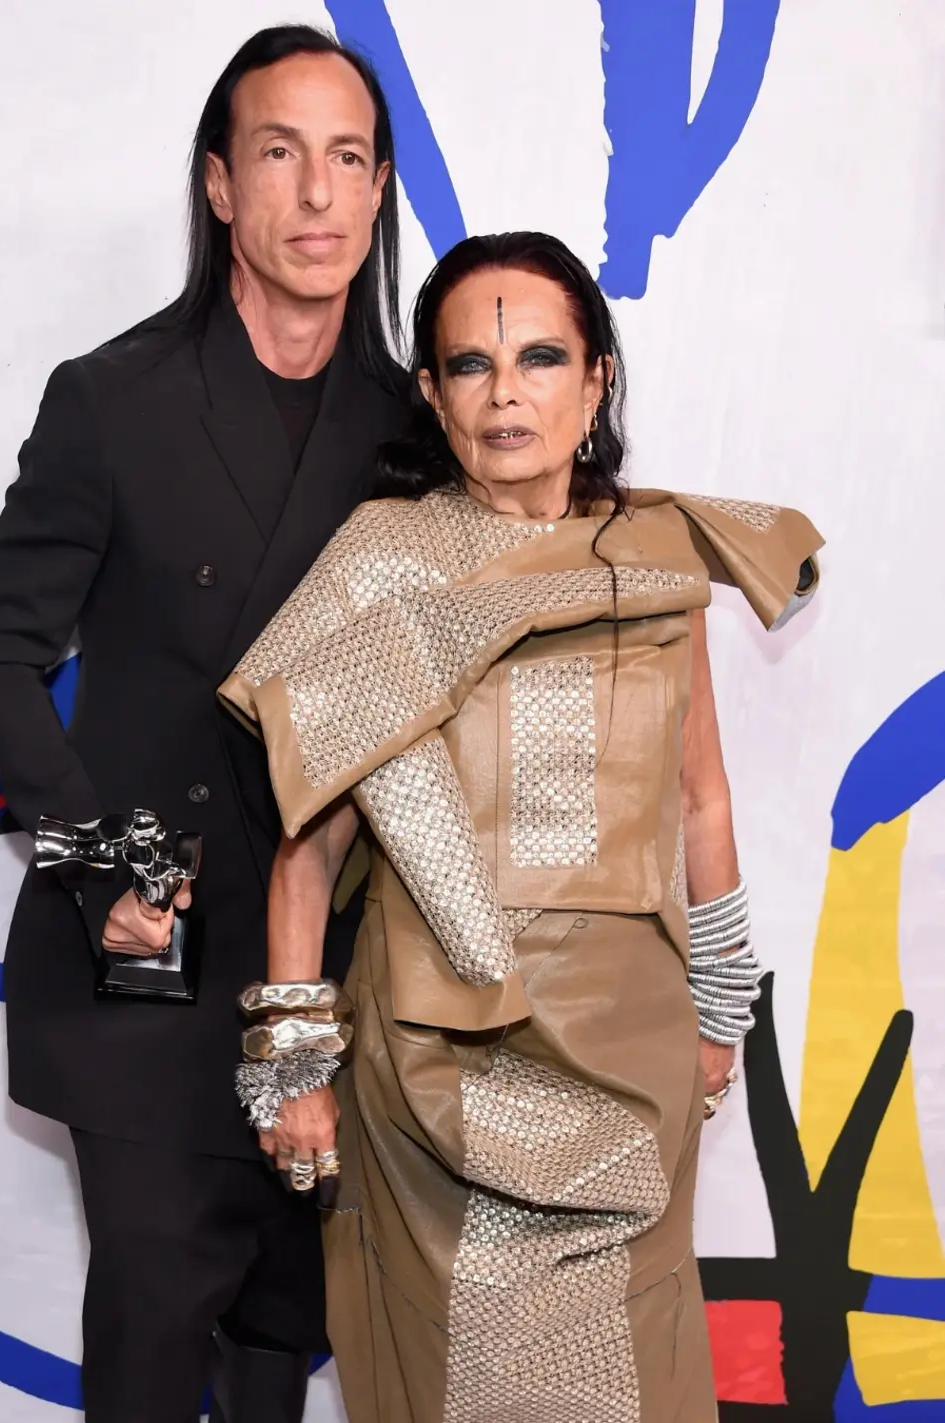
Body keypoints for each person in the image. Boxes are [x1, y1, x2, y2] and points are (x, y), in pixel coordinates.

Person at [219, 231, 823, 1421]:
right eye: (469, 365)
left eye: (539, 357)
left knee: (630, 1378)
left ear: (594, 380)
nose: (506, 395)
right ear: (433, 398)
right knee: (463, 1371)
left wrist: (716, 1010)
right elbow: (312, 836)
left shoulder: (656, 557)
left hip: (634, 1051)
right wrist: (292, 1063)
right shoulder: (381, 562)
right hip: (446, 1048)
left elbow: (700, 797)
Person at [0, 25, 407, 1423]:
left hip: (331, 973)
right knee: (152, 1333)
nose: (316, 195)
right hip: (144, 960)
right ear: (220, 186)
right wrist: (104, 869)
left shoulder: (412, 430)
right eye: (279, 154)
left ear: (381, 191)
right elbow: (2, 655)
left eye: (346, 159)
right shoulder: (111, 398)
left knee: (286, 1334)